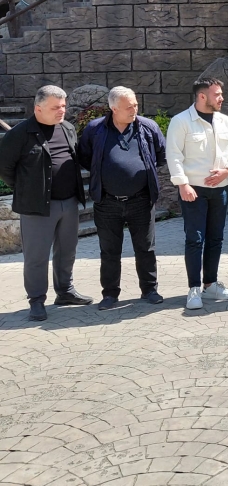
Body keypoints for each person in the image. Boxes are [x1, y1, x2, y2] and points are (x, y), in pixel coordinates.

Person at [0, 86, 91, 321]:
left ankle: (65, 291)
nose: (62, 111)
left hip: (69, 202)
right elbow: (5, 168)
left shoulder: (68, 128)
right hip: (37, 207)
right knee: (37, 257)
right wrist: (27, 187)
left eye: (63, 106)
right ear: (38, 108)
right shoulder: (20, 134)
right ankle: (37, 300)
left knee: (67, 251)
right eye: (55, 107)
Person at [77, 86, 166, 309]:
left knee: (146, 248)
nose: (134, 109)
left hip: (141, 200)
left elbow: (161, 155)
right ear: (113, 108)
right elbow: (85, 157)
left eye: (135, 105)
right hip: (107, 201)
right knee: (109, 251)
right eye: (128, 107)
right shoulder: (95, 129)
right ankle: (110, 294)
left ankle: (150, 289)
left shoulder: (148, 127)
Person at [166, 78, 228, 309]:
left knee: (216, 238)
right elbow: (174, 155)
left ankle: (210, 285)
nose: (222, 98)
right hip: (193, 190)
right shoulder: (181, 121)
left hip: (220, 189)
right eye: (217, 94)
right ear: (202, 96)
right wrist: (182, 184)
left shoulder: (225, 121)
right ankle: (194, 289)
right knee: (195, 239)